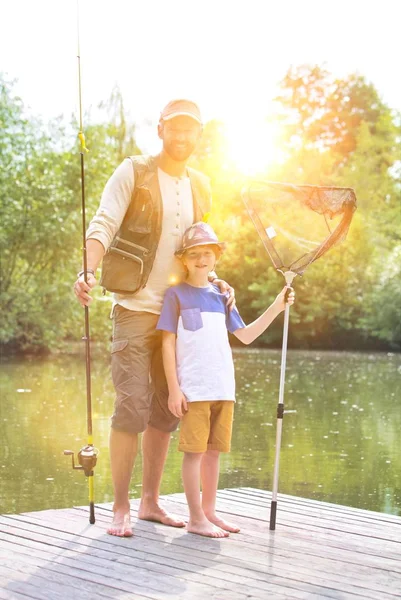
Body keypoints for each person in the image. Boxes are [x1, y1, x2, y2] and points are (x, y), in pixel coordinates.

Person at [73, 100, 234, 537]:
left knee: (166, 412)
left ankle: (150, 502)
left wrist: (214, 280)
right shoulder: (135, 172)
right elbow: (103, 222)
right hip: (133, 309)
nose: (182, 137)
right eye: (175, 129)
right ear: (161, 129)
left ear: (198, 135)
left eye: (190, 131)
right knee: (131, 408)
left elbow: (196, 247)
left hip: (180, 316)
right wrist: (88, 269)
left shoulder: (201, 185)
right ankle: (120, 506)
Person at [157, 222, 295, 538]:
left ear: (216, 257)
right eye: (194, 254)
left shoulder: (221, 295)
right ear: (184, 259)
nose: (201, 259)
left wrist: (277, 305)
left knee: (214, 452)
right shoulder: (175, 295)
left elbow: (245, 335)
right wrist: (174, 389)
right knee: (193, 453)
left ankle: (209, 512)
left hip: (223, 388)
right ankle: (195, 518)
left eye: (207, 253)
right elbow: (167, 342)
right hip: (193, 390)